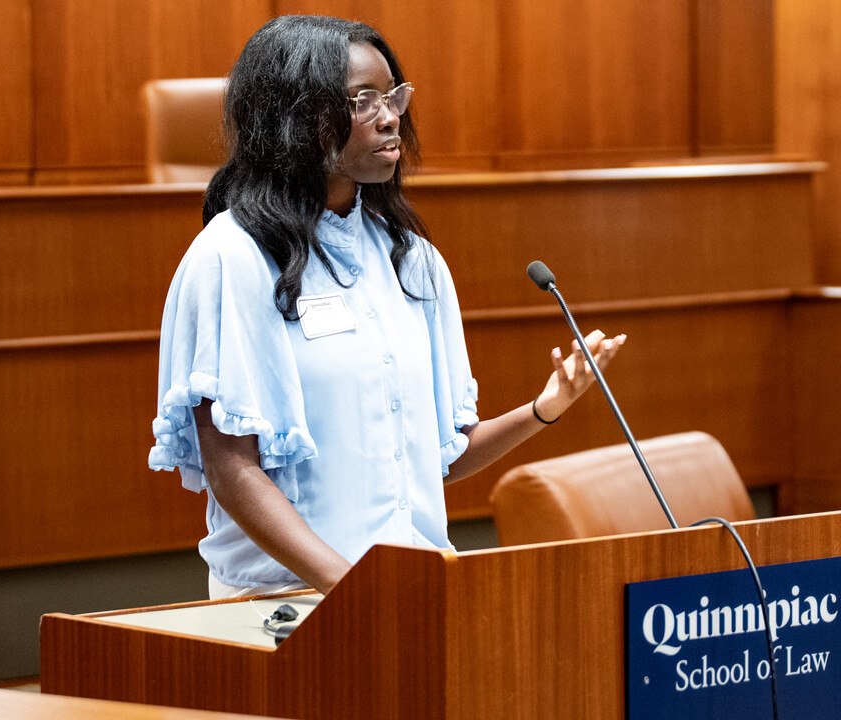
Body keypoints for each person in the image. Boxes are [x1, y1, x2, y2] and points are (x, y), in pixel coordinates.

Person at [149, 15, 624, 598]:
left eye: (392, 95)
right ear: (294, 115)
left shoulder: (413, 260)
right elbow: (233, 470)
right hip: (291, 602)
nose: (391, 116)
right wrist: (354, 592)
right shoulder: (231, 256)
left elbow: (435, 459)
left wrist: (544, 408)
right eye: (362, 100)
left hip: (416, 590)